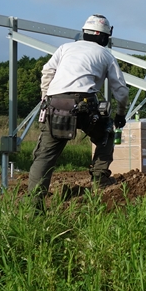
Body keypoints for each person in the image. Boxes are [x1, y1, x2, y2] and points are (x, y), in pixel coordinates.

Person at [28, 14, 129, 210]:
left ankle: (34, 207)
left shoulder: (65, 48)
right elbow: (122, 91)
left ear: (84, 33)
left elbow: (47, 71)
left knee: (45, 157)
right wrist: (120, 115)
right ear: (104, 37)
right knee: (106, 135)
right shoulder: (106, 55)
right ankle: (100, 179)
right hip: (85, 104)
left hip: (55, 104)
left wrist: (45, 96)